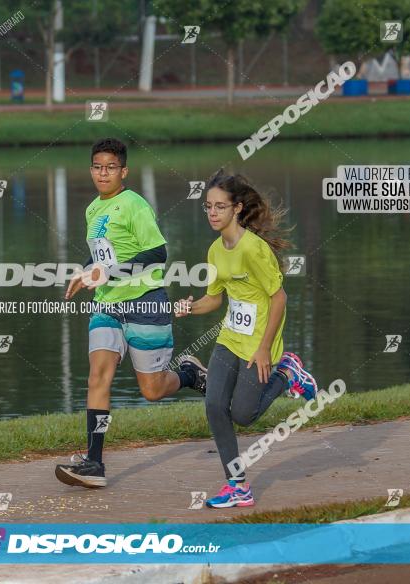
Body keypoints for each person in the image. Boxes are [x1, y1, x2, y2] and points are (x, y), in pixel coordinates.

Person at [54, 138, 206, 489]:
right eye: (96, 166)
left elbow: (158, 253)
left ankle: (188, 375)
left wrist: (112, 272)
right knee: (97, 377)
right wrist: (85, 271)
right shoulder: (92, 210)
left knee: (152, 390)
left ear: (124, 171)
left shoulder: (134, 205)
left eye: (110, 167)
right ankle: (95, 463)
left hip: (145, 302)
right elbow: (101, 258)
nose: (102, 173)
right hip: (107, 305)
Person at [175, 169, 317, 508]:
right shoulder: (214, 251)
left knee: (243, 414)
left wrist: (266, 348)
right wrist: (190, 307)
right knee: (214, 405)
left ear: (237, 208)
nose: (212, 213)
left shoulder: (254, 250)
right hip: (229, 338)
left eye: (220, 206)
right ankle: (237, 486)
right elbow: (215, 299)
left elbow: (279, 298)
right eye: (208, 206)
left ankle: (288, 372)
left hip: (260, 343)